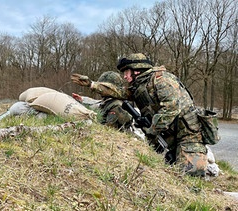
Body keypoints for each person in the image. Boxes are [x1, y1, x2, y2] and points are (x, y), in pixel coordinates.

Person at [71, 53, 208, 177]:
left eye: (126, 71)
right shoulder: (139, 86)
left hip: (188, 136)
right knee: (165, 173)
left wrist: (151, 129)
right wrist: (92, 84)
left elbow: (171, 109)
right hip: (167, 136)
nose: (124, 76)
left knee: (192, 175)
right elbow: (118, 92)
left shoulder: (163, 81)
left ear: (137, 70)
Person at [71, 71, 139, 133]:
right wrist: (82, 100)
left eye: (104, 88)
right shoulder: (109, 101)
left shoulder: (117, 106)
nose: (100, 90)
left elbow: (107, 131)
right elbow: (97, 104)